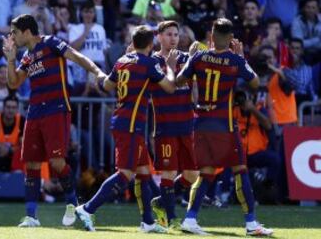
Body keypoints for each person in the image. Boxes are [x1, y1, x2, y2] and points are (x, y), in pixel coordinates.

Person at [2, 14, 106, 227]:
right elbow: (13, 84)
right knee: (31, 163)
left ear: (26, 31)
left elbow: (76, 56)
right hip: (35, 112)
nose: (11, 36)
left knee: (57, 162)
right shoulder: (27, 56)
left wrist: (97, 72)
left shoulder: (51, 42)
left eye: (14, 32)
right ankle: (31, 217)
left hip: (56, 109)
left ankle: (72, 204)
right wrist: (11, 59)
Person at [175, 18, 273, 236]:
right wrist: (240, 57)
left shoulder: (199, 57)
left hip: (201, 123)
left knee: (206, 172)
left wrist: (190, 58)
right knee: (240, 170)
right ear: (230, 39)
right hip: (224, 125)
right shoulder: (234, 60)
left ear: (211, 35)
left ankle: (190, 219)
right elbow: (255, 82)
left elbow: (179, 81)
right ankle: (251, 223)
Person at [75, 25, 175, 233]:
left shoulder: (121, 61)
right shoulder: (148, 63)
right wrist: (172, 67)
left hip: (124, 121)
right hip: (130, 125)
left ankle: (147, 222)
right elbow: (169, 87)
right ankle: (87, 208)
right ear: (150, 44)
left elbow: (108, 86)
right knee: (125, 173)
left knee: (144, 173)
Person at [148, 20, 199, 228]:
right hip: (165, 125)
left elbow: (195, 93)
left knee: (191, 174)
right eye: (168, 34)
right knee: (168, 172)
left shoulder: (187, 60)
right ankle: (171, 218)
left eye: (176, 35)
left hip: (187, 124)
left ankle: (161, 201)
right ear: (159, 37)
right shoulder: (152, 61)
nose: (173, 38)